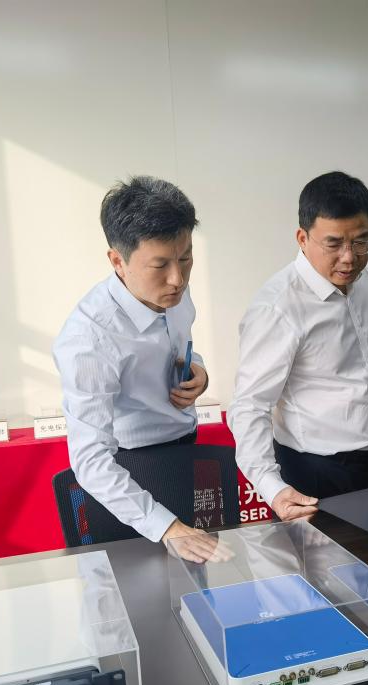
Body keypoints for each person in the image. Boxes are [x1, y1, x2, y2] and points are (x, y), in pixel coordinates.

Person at [53, 176, 225, 563]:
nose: (177, 279)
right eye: (160, 265)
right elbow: (91, 460)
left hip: (184, 453)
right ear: (118, 261)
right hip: (128, 478)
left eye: (186, 258)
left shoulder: (173, 290)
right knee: (140, 592)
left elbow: (180, 345)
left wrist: (197, 371)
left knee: (200, 583)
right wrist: (166, 526)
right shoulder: (89, 338)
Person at [228, 171, 368, 521]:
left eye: (361, 241)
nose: (349, 257)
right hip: (316, 475)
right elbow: (249, 406)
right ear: (302, 238)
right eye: (333, 244)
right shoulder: (278, 307)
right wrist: (272, 487)